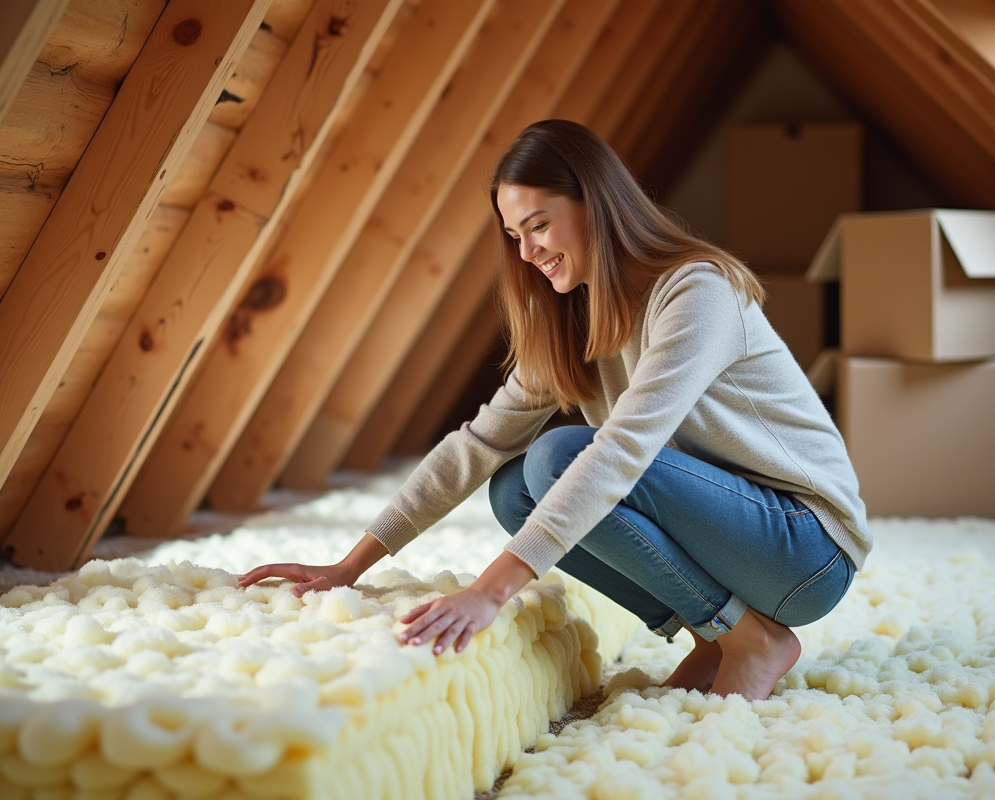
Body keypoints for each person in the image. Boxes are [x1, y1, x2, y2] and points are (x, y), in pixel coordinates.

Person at [239, 119, 872, 701]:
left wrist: (489, 592)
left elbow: (623, 449)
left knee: (560, 457)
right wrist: (350, 565)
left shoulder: (695, 290)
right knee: (516, 490)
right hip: (732, 539)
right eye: (515, 235)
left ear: (595, 204)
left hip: (804, 547)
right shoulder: (574, 321)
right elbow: (478, 444)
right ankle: (727, 633)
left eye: (539, 225)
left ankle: (754, 641)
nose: (527, 252)